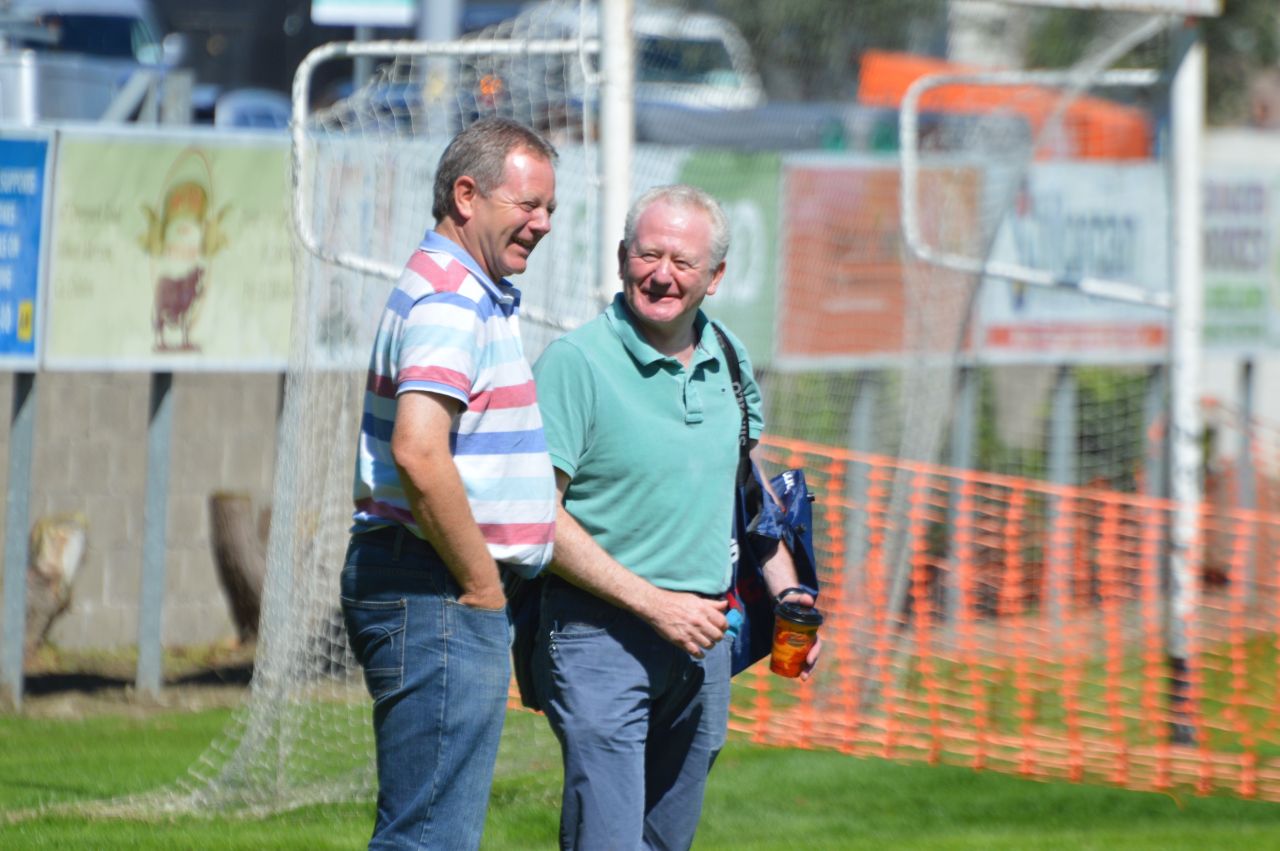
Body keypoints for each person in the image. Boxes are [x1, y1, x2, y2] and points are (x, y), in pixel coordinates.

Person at [531, 184, 820, 850]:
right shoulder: (574, 365)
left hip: (705, 640)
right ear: (621, 256)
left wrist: (789, 593)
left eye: (683, 262)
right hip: (598, 636)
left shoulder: (728, 356)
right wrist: (655, 604)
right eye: (648, 254)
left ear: (714, 277)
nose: (662, 274)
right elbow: (536, 517)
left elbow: (746, 492)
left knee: (665, 841)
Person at [340, 117, 559, 851]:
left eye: (550, 208)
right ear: (466, 195)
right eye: (528, 204)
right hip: (435, 588)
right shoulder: (450, 299)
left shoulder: (461, 287)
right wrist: (482, 587)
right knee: (430, 838)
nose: (543, 223)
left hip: (435, 585)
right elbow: (420, 452)